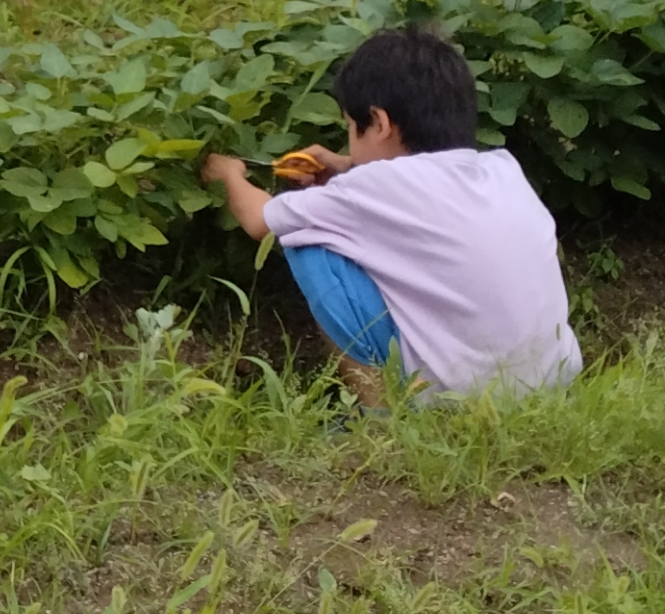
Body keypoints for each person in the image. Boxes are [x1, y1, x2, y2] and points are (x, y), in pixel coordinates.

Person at [202, 24, 580, 403]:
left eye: (352, 127)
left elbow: (258, 220)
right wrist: (347, 166)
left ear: (379, 123)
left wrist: (228, 175)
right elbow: (412, 182)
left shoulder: (370, 190)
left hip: (459, 400)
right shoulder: (501, 168)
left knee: (309, 245)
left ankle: (382, 418)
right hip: (552, 383)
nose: (350, 139)